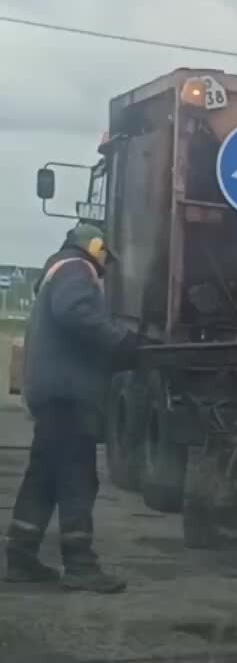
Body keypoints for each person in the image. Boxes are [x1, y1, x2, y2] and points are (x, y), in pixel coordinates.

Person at [5, 221, 138, 593]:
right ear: (94, 248)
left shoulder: (56, 271)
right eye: (105, 257)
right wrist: (121, 340)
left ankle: (20, 556)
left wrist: (116, 355)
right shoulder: (76, 270)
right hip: (70, 396)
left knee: (44, 477)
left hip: (54, 393)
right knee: (77, 477)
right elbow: (77, 315)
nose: (106, 266)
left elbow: (73, 333)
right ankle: (80, 565)